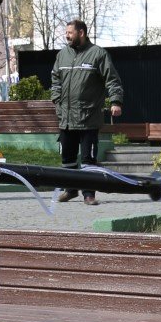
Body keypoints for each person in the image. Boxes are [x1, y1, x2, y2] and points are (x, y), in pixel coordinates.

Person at [50, 19, 123, 205]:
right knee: (67, 157)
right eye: (66, 33)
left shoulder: (98, 54)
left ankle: (89, 194)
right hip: (66, 117)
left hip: (88, 117)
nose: (67, 36)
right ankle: (71, 190)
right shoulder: (62, 55)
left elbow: (112, 80)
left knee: (88, 159)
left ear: (81, 32)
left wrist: (115, 101)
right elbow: (55, 80)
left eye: (70, 33)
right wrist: (56, 99)